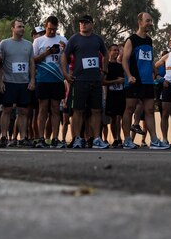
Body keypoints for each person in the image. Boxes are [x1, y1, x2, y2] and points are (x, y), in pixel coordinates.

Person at [121, 12, 169, 150]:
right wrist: (129, 75)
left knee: (149, 110)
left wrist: (156, 74)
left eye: (151, 21)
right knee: (129, 109)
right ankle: (127, 140)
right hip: (134, 81)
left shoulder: (149, 40)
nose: (150, 23)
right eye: (147, 21)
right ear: (140, 22)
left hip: (148, 81)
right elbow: (124, 60)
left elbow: (150, 59)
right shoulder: (131, 40)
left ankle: (154, 140)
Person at [61, 15, 109, 149]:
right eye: (81, 23)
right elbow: (64, 55)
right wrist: (65, 74)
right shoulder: (74, 38)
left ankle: (97, 139)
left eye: (86, 22)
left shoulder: (97, 39)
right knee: (77, 110)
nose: (83, 25)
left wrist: (104, 72)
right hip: (79, 81)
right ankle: (77, 138)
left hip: (95, 80)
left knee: (96, 110)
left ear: (92, 24)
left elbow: (106, 54)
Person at [0, 20, 36, 147]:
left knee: (23, 111)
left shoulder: (29, 45)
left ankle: (23, 137)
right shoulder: (4, 43)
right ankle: (3, 137)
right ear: (12, 28)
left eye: (23, 27)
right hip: (9, 82)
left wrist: (32, 80)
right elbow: (0, 64)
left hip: (24, 83)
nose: (22, 29)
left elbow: (31, 63)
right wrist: (0, 81)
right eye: (19, 27)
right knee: (7, 110)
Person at [32, 16, 68, 149]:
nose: (52, 32)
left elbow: (69, 59)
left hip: (57, 79)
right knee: (42, 109)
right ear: (45, 26)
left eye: (54, 29)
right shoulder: (38, 41)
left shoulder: (63, 40)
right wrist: (46, 53)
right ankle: (41, 138)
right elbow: (33, 60)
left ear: (57, 27)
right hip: (42, 79)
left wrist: (64, 51)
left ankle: (55, 138)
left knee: (55, 109)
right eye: (49, 29)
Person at [155, 35, 171, 146]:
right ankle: (165, 139)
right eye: (169, 40)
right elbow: (154, 67)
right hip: (168, 86)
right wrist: (160, 79)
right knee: (165, 113)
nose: (170, 42)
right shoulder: (166, 56)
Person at [103, 44, 126, 147]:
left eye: (117, 51)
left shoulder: (121, 65)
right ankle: (115, 139)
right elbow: (103, 82)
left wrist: (124, 81)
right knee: (113, 118)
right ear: (109, 52)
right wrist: (116, 81)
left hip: (121, 94)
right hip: (111, 95)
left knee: (120, 117)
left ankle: (122, 137)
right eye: (114, 50)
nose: (116, 52)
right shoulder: (106, 66)